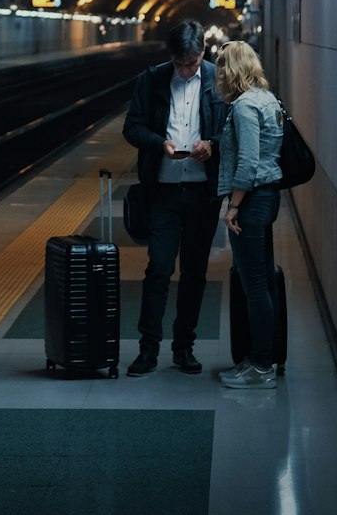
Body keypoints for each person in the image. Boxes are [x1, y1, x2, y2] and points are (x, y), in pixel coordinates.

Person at [122, 19, 228, 377]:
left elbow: (232, 130)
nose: (185, 70)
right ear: (171, 58)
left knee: (195, 272)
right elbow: (132, 127)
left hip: (203, 193)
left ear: (203, 54)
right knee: (159, 269)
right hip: (163, 192)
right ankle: (148, 349)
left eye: (192, 63)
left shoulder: (218, 79)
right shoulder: (151, 79)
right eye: (180, 64)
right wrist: (158, 143)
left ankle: (184, 348)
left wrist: (211, 145)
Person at [215, 39, 285, 389]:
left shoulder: (244, 107)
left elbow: (248, 163)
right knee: (264, 283)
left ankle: (262, 367)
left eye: (221, 69)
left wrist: (233, 207)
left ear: (231, 71)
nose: (218, 77)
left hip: (252, 201)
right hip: (268, 198)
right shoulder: (268, 99)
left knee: (255, 286)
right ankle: (262, 358)